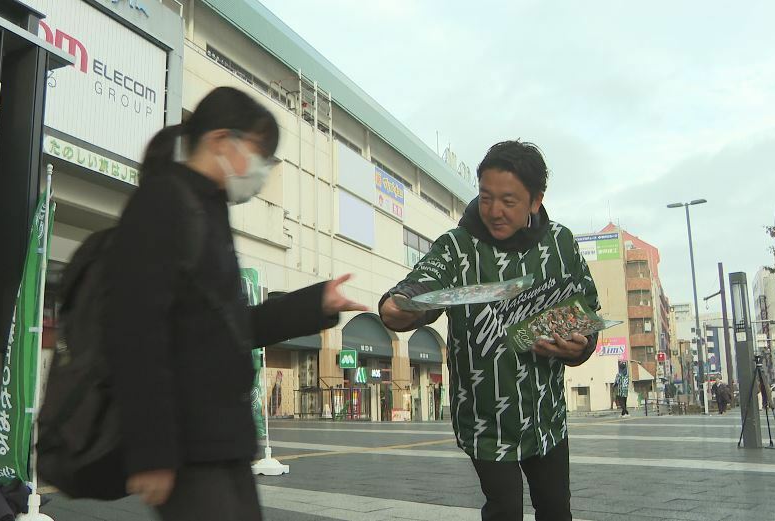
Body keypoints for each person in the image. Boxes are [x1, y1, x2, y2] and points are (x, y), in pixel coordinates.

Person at [102, 87, 367, 521]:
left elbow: (231, 327)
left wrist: (316, 303)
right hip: (191, 443)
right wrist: (152, 450)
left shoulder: (208, 208)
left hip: (221, 439)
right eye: (261, 153)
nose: (263, 169)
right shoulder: (164, 201)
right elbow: (136, 331)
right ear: (222, 141)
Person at [379, 141, 600, 521]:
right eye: (486, 197)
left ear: (535, 201)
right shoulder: (457, 247)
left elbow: (587, 308)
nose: (494, 211)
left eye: (509, 201)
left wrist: (581, 346)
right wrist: (399, 305)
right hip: (485, 419)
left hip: (547, 416)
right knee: (504, 510)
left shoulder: (562, 244)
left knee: (555, 509)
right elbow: (422, 283)